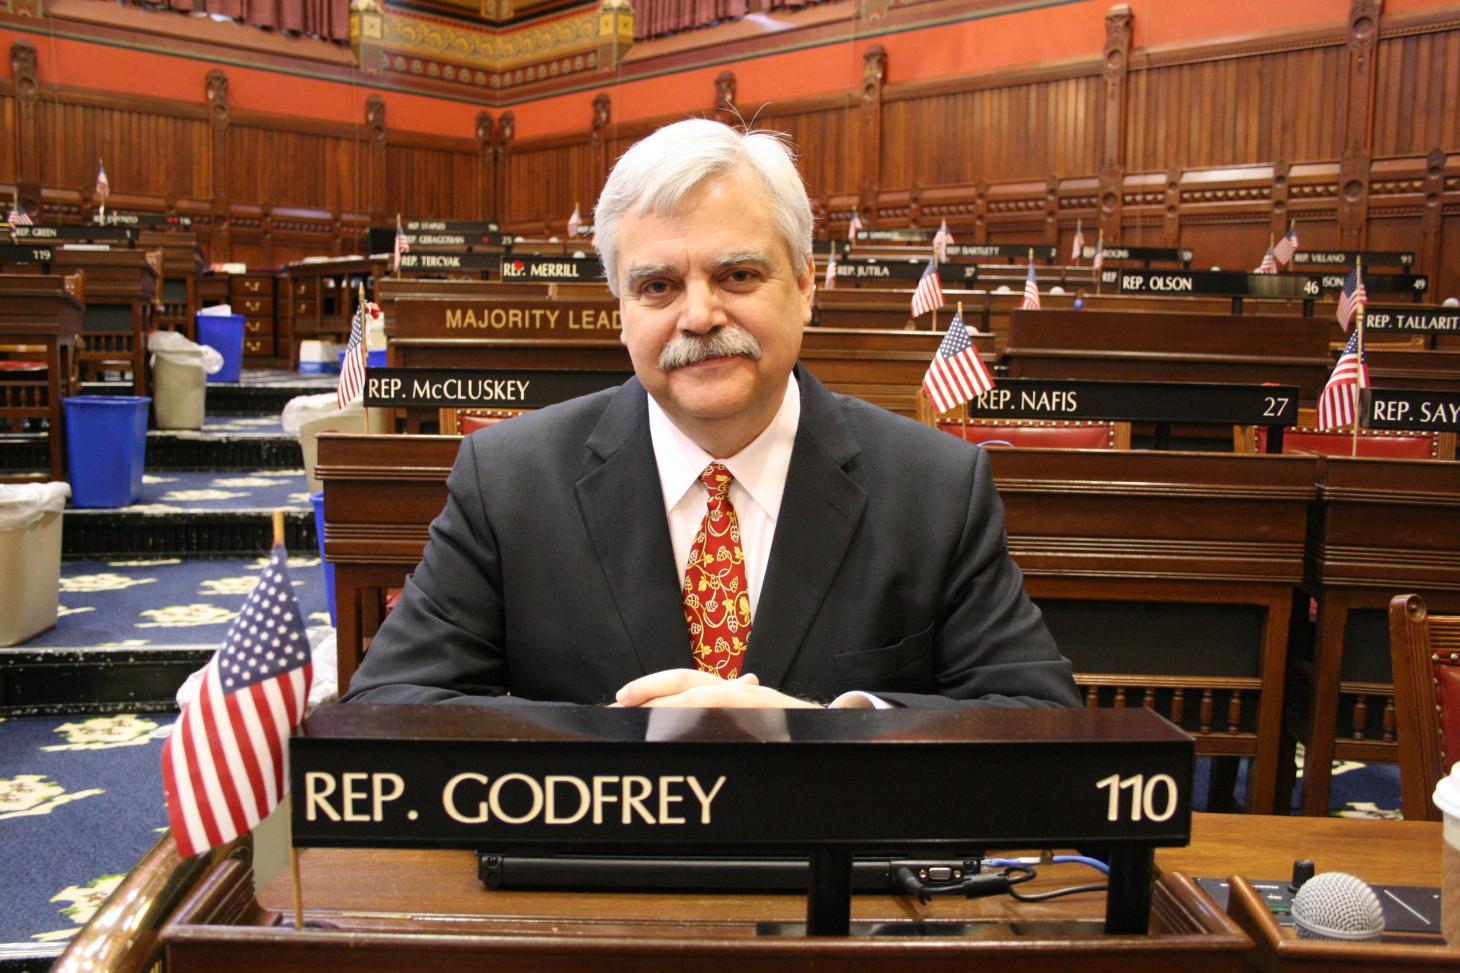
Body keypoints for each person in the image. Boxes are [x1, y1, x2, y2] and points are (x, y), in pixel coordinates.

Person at [342, 118, 1080, 711]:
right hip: (598, 876)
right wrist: (608, 743)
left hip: (835, 882)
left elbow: (1037, 714)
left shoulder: (936, 486)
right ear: (622, 313)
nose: (699, 315)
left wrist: (825, 731)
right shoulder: (508, 480)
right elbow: (384, 707)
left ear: (804, 284)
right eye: (658, 286)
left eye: (738, 275)